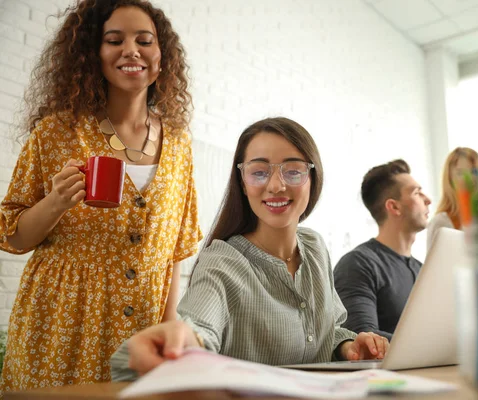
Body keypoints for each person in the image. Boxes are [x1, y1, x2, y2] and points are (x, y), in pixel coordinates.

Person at [0, 0, 201, 392]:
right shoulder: (56, 132)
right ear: (94, 53)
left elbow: (175, 250)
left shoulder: (179, 143)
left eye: (145, 40)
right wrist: (56, 201)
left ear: (162, 57)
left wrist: (169, 325)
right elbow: (12, 236)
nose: (131, 50)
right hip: (60, 322)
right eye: (114, 40)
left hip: (143, 329)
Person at [110, 117, 389, 380]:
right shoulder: (222, 260)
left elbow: (327, 333)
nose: (277, 185)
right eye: (259, 172)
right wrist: (185, 339)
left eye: (293, 171)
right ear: (243, 184)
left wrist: (349, 346)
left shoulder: (315, 247)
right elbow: (200, 327)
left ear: (312, 177)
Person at [333, 159, 431, 341]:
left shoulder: (424, 270)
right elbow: (361, 337)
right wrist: (430, 345)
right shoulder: (357, 264)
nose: (428, 200)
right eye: (417, 193)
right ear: (394, 206)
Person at [426, 147, 478, 250]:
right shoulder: (441, 222)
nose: (469, 178)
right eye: (460, 173)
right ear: (450, 179)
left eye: (474, 172)